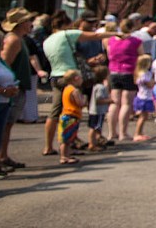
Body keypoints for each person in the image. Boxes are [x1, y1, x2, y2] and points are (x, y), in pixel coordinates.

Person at [42, 11, 116, 155]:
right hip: (71, 77)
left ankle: (49, 146)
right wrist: (116, 34)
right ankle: (68, 145)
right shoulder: (66, 35)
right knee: (72, 113)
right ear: (64, 25)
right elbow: (96, 35)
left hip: (56, 76)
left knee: (55, 112)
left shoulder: (47, 40)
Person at [0, 7, 36, 171]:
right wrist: (8, 86)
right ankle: (0, 156)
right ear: (21, 24)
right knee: (4, 124)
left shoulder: (19, 39)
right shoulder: (13, 40)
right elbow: (5, 63)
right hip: (12, 88)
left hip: (17, 87)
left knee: (8, 124)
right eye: (29, 21)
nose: (31, 24)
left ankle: (3, 155)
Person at [0, 30, 21, 178]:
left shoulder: (0, 61)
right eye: (2, 41)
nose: (4, 44)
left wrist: (12, 88)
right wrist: (2, 90)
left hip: (4, 102)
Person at [105, 18, 142, 143]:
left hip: (114, 72)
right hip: (129, 72)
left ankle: (111, 133)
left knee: (114, 103)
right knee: (126, 103)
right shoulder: (136, 41)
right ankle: (123, 133)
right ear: (132, 27)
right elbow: (141, 57)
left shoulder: (111, 41)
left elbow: (109, 55)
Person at [58, 69, 86, 164]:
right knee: (67, 139)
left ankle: (66, 155)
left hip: (65, 115)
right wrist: (84, 99)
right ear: (76, 78)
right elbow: (80, 103)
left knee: (65, 138)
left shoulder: (66, 89)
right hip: (71, 116)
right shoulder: (75, 91)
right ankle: (64, 157)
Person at [131, 54, 155, 142]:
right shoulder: (143, 74)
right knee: (143, 116)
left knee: (145, 116)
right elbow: (150, 84)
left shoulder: (144, 73)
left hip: (146, 96)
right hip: (144, 97)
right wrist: (152, 81)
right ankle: (137, 133)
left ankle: (140, 133)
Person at [86, 65, 111, 150]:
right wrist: (109, 100)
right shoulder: (100, 87)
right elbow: (99, 100)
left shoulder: (96, 86)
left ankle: (95, 142)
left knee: (96, 127)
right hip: (97, 111)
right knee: (94, 128)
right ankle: (92, 144)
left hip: (94, 110)